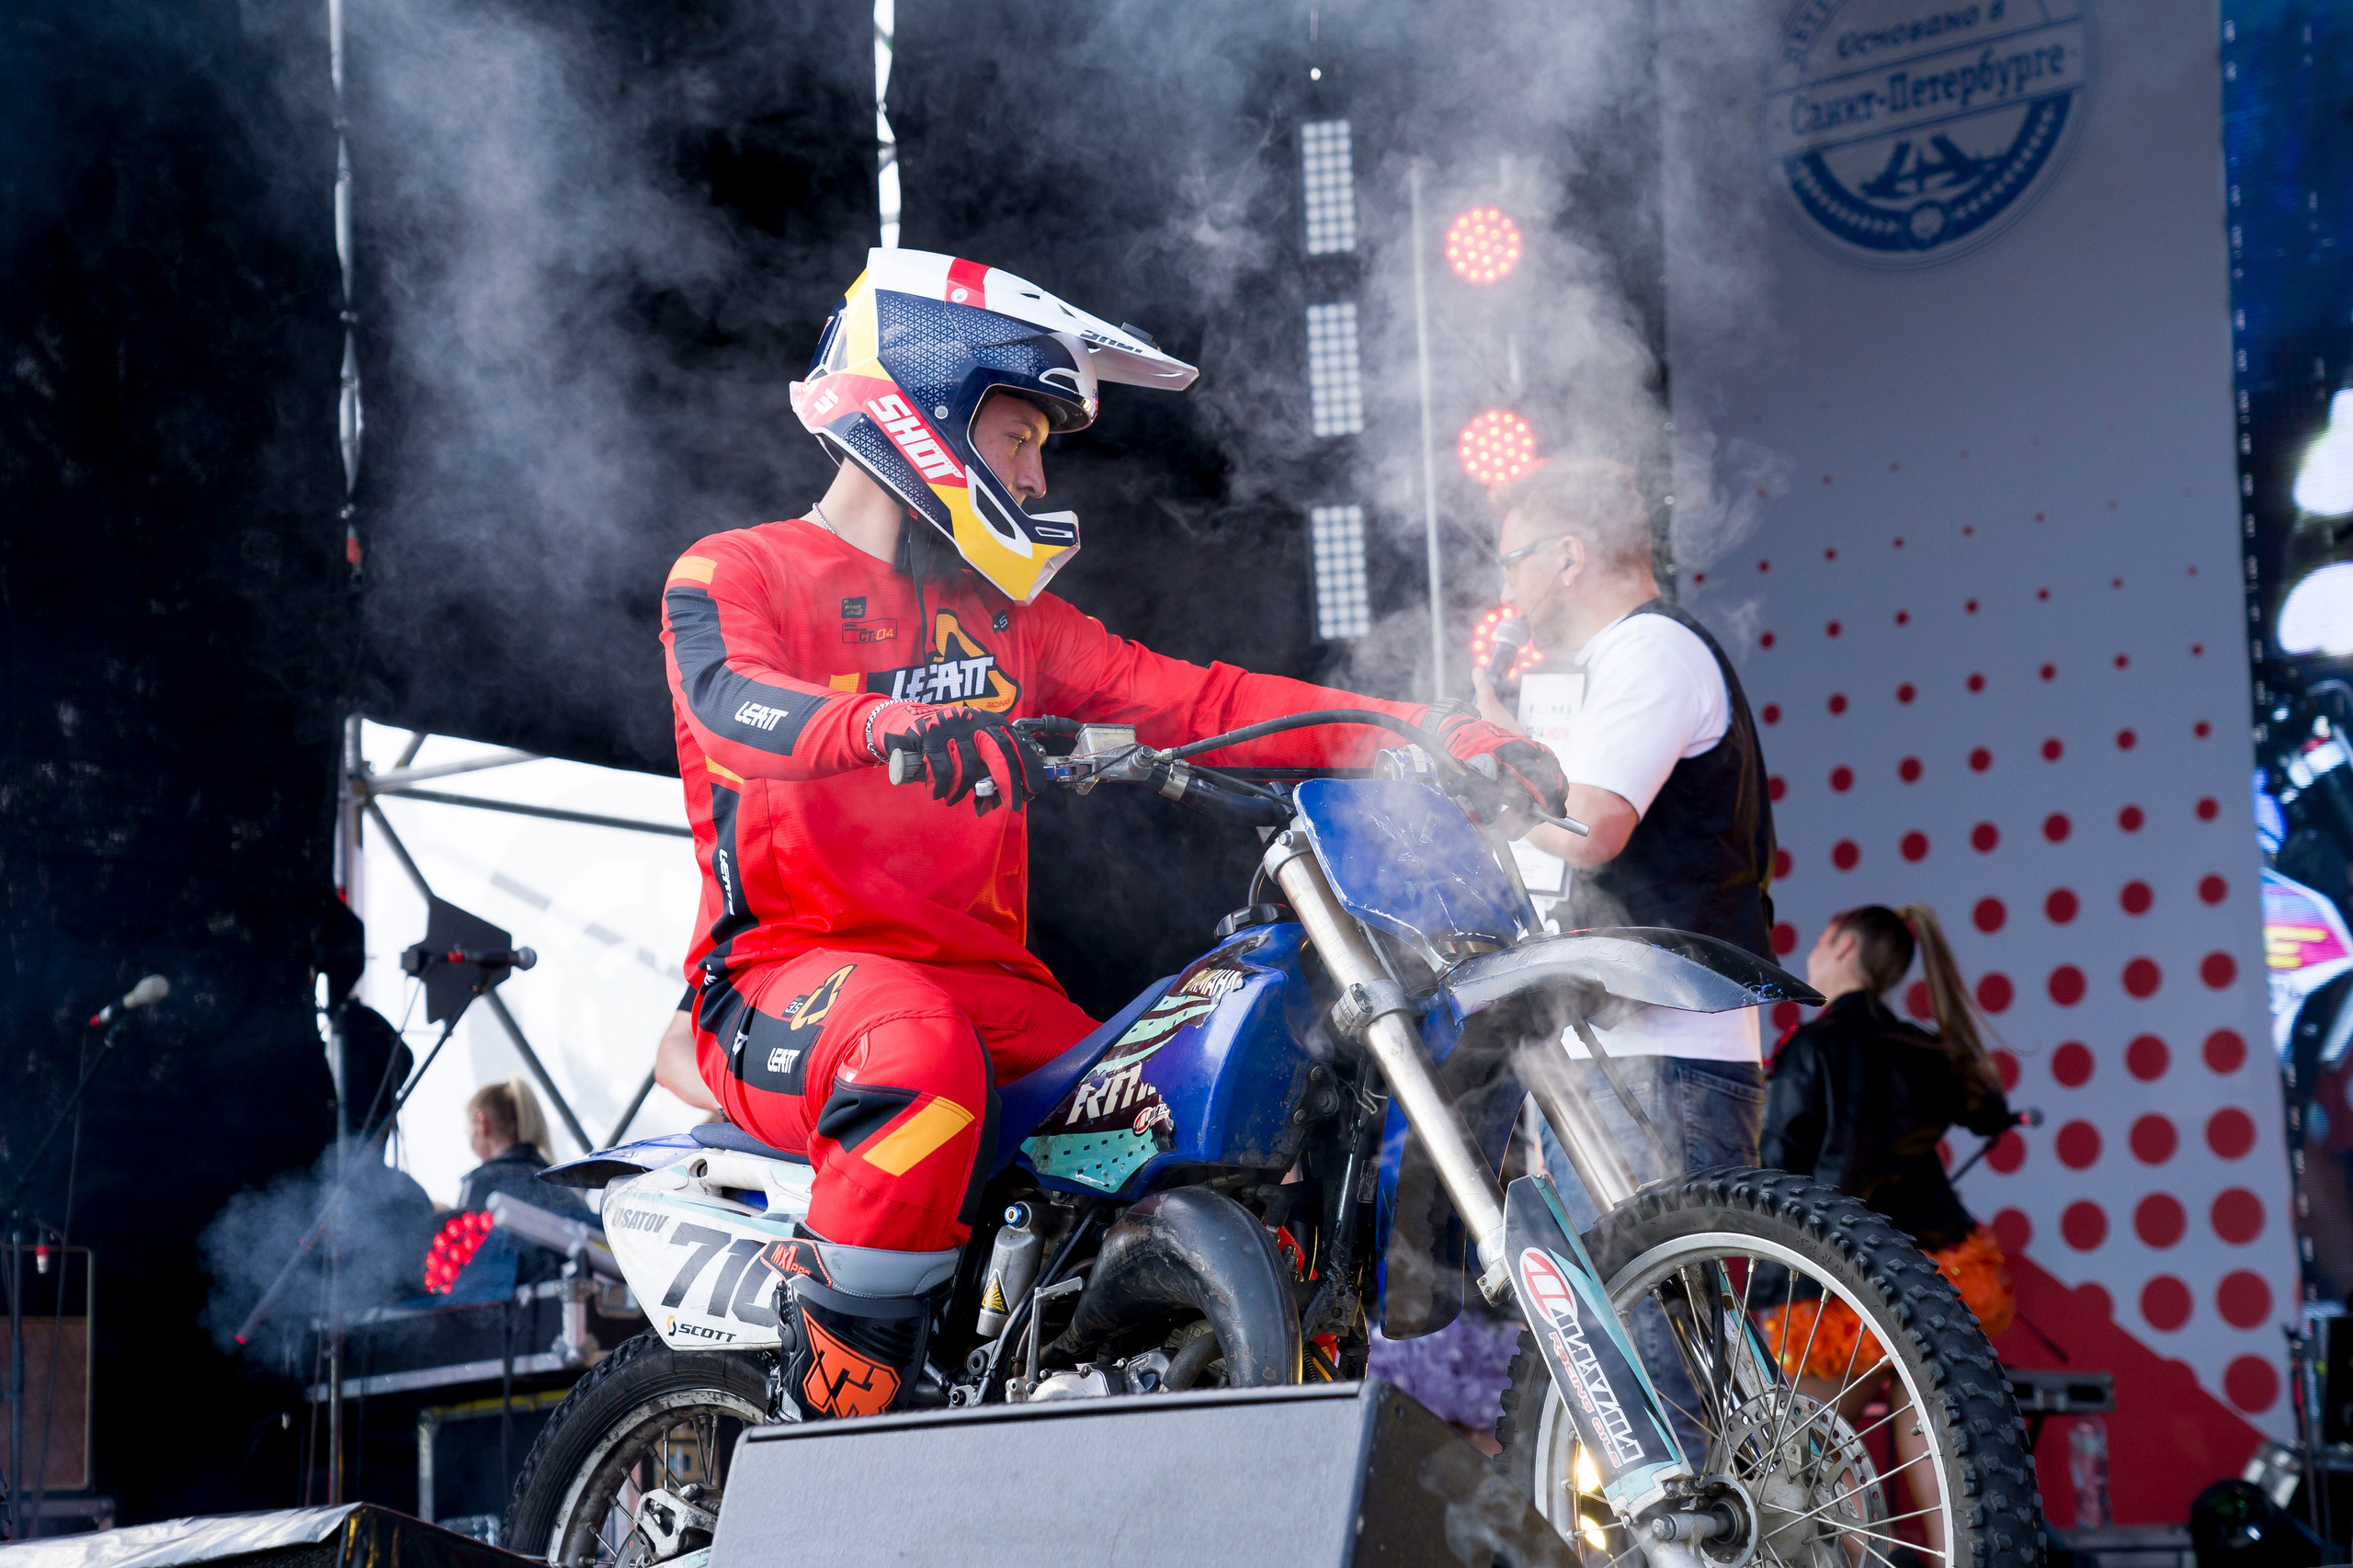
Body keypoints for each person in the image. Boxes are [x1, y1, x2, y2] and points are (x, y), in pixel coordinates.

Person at [651, 248, 1566, 1421]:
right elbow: (729, 701)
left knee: (1180, 1103)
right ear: (923, 398)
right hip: (780, 979)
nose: (1036, 474)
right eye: (1020, 435)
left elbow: (1203, 700)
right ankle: (836, 1431)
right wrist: (880, 720)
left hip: (991, 989)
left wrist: (1432, 725)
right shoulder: (738, 569)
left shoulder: (1003, 621)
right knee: (915, 1056)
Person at [1467, 456, 1778, 1210]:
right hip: (1620, 1055)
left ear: (1568, 556)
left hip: (1660, 1060)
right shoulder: (1617, 660)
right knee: (1625, 1316)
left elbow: (1588, 829)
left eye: (1513, 564)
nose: (1507, 594)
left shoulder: (1651, 650)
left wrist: (1493, 757)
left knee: (1649, 1321)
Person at [1759, 903, 2018, 1559]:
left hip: (1842, 1274)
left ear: (1843, 944)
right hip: (1940, 1268)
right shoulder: (1927, 1048)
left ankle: (1849, 1561)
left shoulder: (1809, 1047)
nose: (1812, 953)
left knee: (1813, 1439)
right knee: (1927, 1429)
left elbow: (1776, 1167)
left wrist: (1768, 1287)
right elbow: (1990, 1113)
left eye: (1820, 939)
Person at [456, 1077, 581, 1215]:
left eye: (468, 1133)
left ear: (482, 1122)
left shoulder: (481, 1184)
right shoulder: (568, 1193)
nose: (471, 1146)